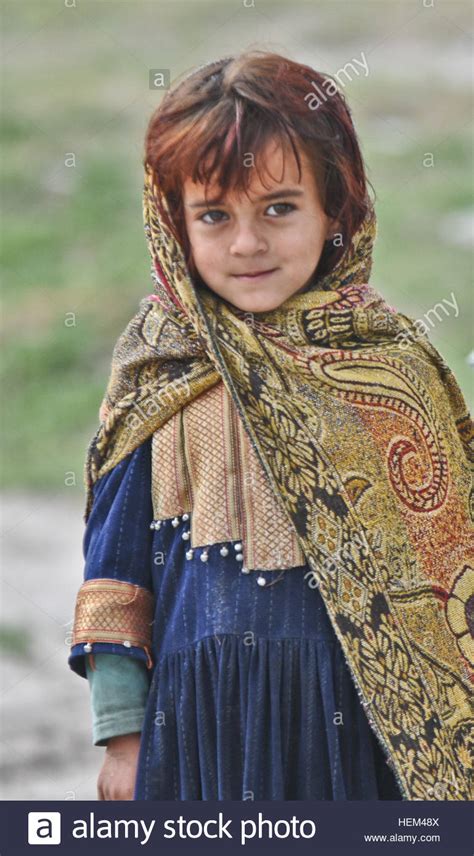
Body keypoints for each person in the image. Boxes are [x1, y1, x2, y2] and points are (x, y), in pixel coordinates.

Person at [68, 50, 473, 802]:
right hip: (195, 733)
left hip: (357, 734)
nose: (247, 243)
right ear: (173, 223)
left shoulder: (388, 368)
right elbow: (114, 577)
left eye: (279, 208)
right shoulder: (160, 370)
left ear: (337, 208)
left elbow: (452, 573)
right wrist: (123, 741)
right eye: (215, 215)